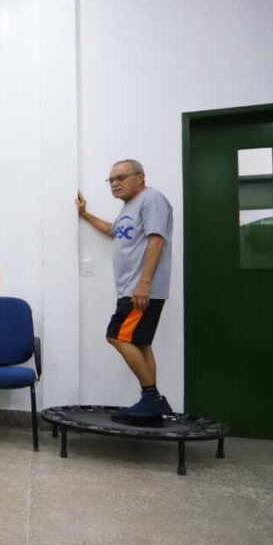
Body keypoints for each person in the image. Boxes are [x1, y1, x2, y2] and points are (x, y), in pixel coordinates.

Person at [77, 159, 173, 424]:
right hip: (132, 288)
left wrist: (144, 282)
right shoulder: (130, 207)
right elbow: (113, 230)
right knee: (141, 343)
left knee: (117, 336)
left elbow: (157, 239)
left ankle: (152, 397)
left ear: (140, 177)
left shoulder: (151, 199)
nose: (114, 184)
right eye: (111, 180)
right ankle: (151, 405)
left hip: (140, 289)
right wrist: (85, 215)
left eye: (121, 178)